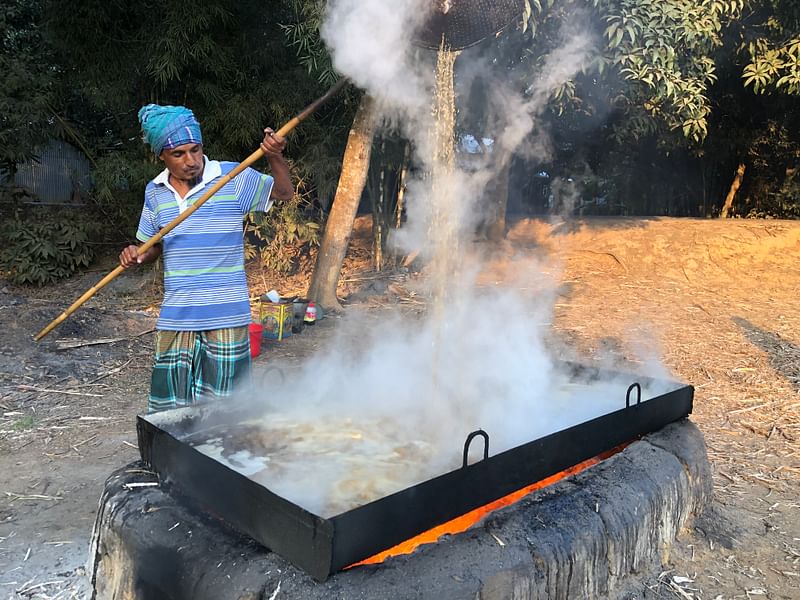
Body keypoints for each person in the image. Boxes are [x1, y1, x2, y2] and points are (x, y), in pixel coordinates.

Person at [119, 104, 293, 412]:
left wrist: (274, 156)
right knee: (171, 406)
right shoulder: (155, 191)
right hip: (178, 312)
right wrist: (138, 255)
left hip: (226, 312)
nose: (191, 161)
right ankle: (173, 457)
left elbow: (283, 192)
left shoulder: (232, 176)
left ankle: (221, 457)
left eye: (195, 150)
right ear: (161, 156)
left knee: (226, 408)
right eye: (179, 154)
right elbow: (153, 244)